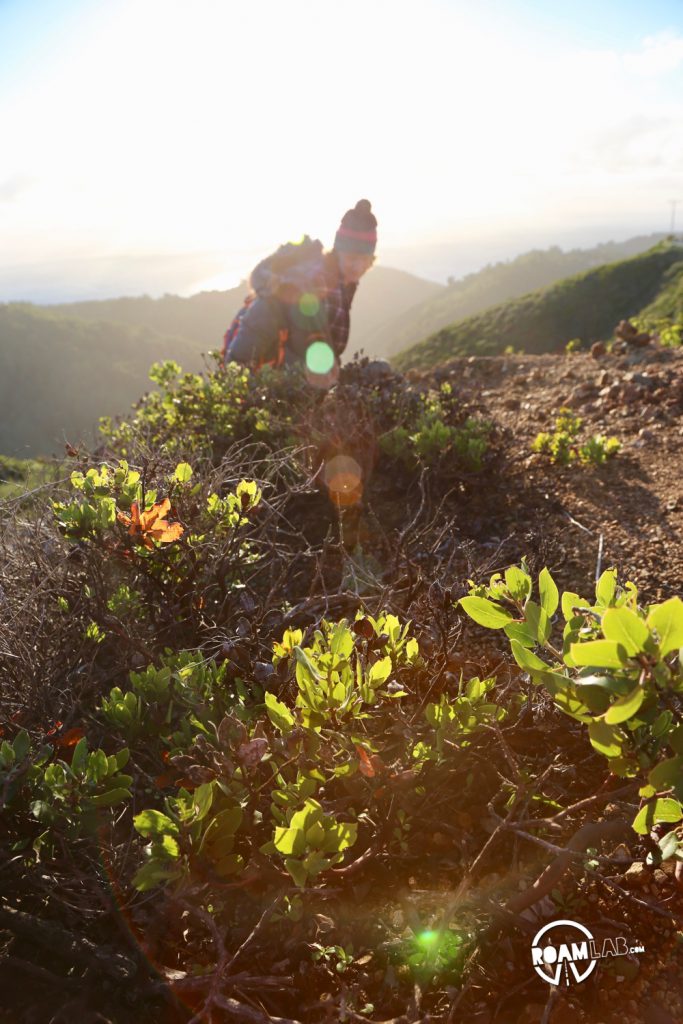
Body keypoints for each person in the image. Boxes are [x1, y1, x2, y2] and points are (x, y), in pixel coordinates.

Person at [222, 200, 377, 377]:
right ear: (338, 252)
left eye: (365, 259)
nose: (358, 266)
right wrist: (235, 384)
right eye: (351, 258)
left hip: (298, 384)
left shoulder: (343, 284)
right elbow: (260, 324)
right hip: (280, 387)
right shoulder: (315, 283)